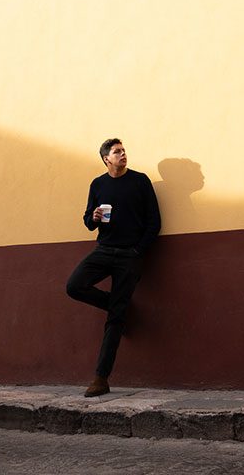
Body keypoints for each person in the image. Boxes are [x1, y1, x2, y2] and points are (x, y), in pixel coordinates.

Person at [66, 138, 161, 397]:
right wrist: (93, 218)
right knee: (74, 286)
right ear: (106, 159)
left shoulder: (140, 181)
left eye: (123, 150)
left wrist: (138, 251)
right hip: (104, 250)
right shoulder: (98, 184)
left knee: (115, 320)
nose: (123, 154)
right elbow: (88, 220)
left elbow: (154, 221)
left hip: (130, 255)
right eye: (117, 152)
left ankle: (100, 378)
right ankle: (117, 304)